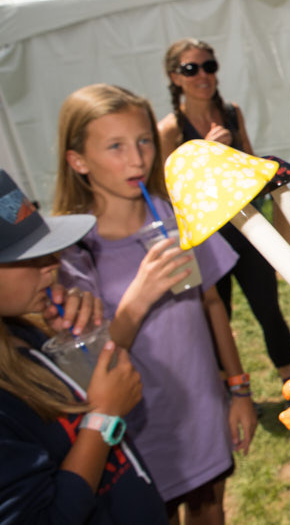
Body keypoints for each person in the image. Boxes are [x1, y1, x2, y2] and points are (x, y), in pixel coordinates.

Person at [53, 84, 256, 523]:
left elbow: (211, 304)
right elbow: (90, 364)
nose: (137, 158)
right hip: (133, 434)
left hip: (201, 409)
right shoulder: (73, 254)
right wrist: (139, 295)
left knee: (210, 509)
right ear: (78, 160)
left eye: (144, 140)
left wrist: (239, 390)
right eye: (116, 146)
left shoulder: (172, 213)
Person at [0, 168, 168, 523]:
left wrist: (64, 338)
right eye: (28, 258)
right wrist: (104, 418)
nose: (52, 265)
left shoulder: (21, 336)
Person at [156, 39, 290, 392]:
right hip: (207, 237)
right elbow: (168, 192)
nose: (203, 75)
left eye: (209, 66)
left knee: (269, 311)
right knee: (217, 317)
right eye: (192, 68)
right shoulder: (169, 130)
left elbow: (252, 170)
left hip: (248, 227)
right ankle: (233, 393)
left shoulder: (231, 112)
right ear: (175, 77)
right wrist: (208, 153)